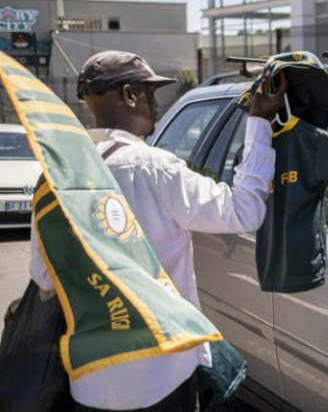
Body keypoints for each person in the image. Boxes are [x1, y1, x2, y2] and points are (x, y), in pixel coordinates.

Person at [29, 50, 286, 411]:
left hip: (90, 380)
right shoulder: (152, 168)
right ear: (130, 94)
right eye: (150, 92)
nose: (155, 102)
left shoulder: (54, 175)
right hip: (161, 376)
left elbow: (43, 278)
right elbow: (244, 211)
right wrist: (258, 122)